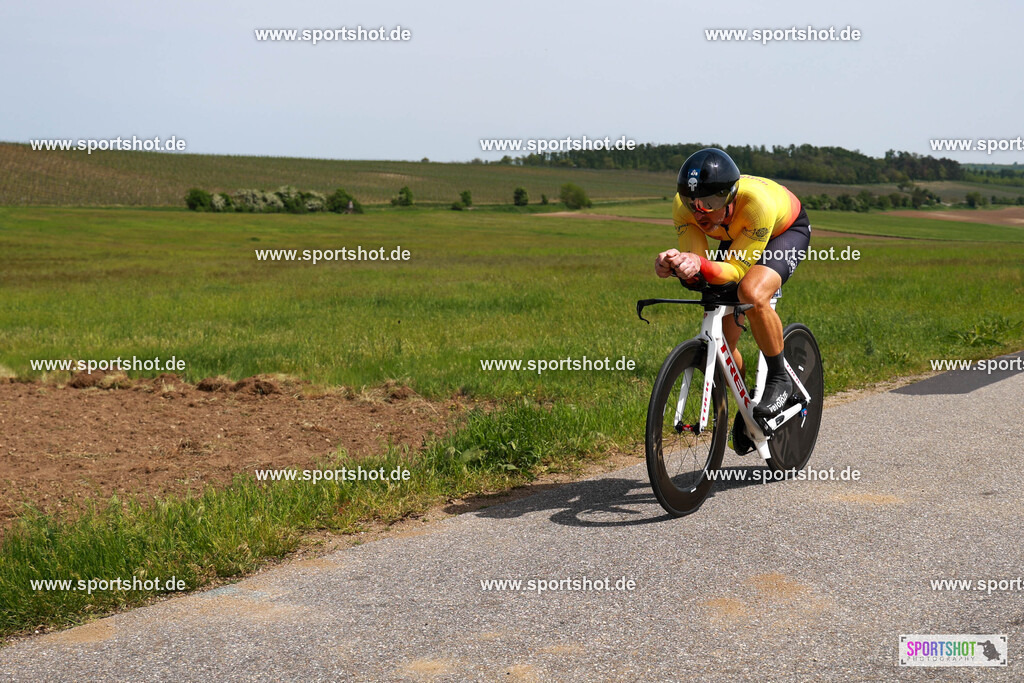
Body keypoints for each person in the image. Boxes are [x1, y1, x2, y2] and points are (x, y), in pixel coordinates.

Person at [654, 148, 811, 454]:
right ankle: (749, 402)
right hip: (739, 232)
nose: (700, 213)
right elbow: (699, 268)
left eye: (710, 204)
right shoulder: (685, 206)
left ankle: (780, 377)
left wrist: (701, 266)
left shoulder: (756, 205)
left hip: (782, 230)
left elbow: (736, 270)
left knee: (751, 292)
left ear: (730, 197)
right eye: (692, 204)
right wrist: (674, 266)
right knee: (724, 339)